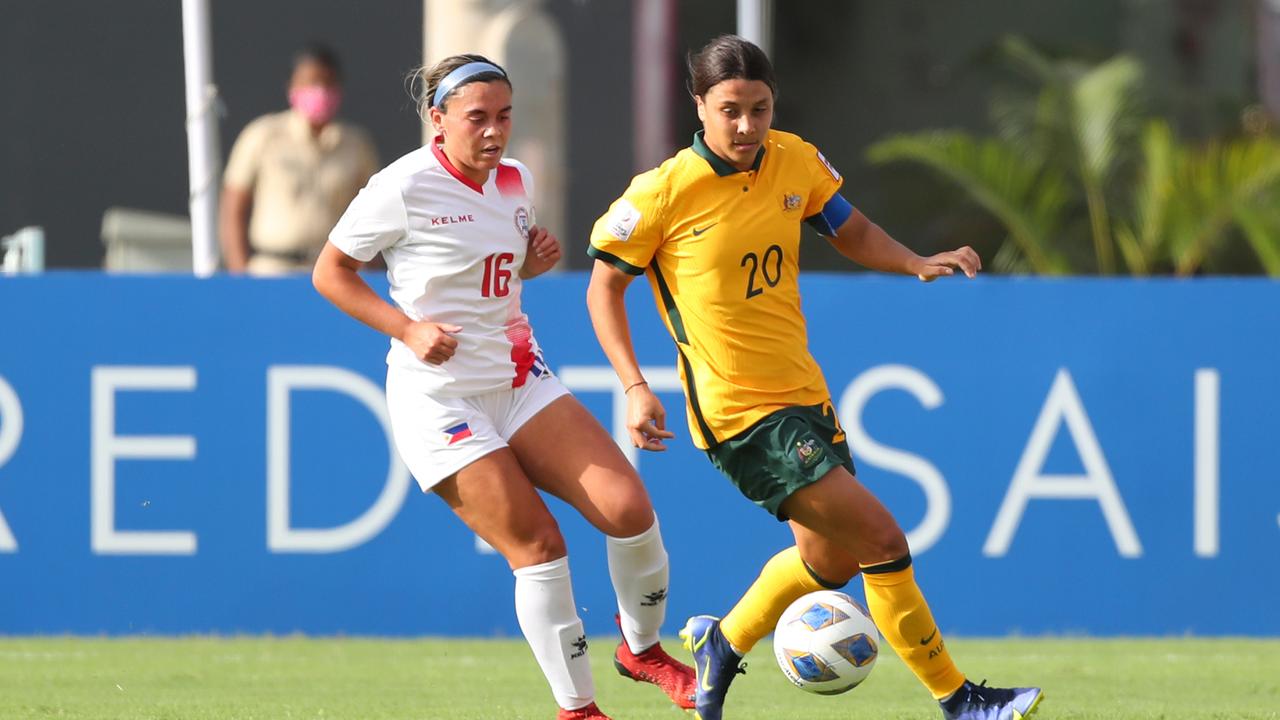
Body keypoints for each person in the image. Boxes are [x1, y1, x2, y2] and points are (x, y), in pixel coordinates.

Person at [585, 35, 1044, 720]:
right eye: (730, 110)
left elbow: (847, 228)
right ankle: (960, 700)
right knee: (883, 542)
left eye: (760, 109)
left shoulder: (793, 158)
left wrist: (914, 260)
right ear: (699, 106)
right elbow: (602, 289)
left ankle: (721, 643)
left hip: (806, 397)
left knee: (829, 564)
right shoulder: (661, 194)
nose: (746, 126)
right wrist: (633, 385)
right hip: (740, 416)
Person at [312, 54, 695, 720]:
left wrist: (530, 263)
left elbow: (494, 272)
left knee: (628, 507)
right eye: (476, 118)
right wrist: (405, 329)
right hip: (440, 395)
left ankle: (643, 652)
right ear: (438, 120)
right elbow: (331, 271)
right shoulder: (401, 186)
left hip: (517, 374)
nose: (494, 132)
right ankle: (578, 710)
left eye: (505, 115)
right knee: (540, 546)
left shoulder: (515, 178)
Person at [222, 44, 379, 275]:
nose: (320, 90)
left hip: (333, 270)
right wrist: (239, 273)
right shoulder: (263, 135)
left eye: (328, 83)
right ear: (292, 86)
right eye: (311, 82)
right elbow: (233, 207)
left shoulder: (357, 144)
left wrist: (371, 271)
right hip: (272, 269)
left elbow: (375, 212)